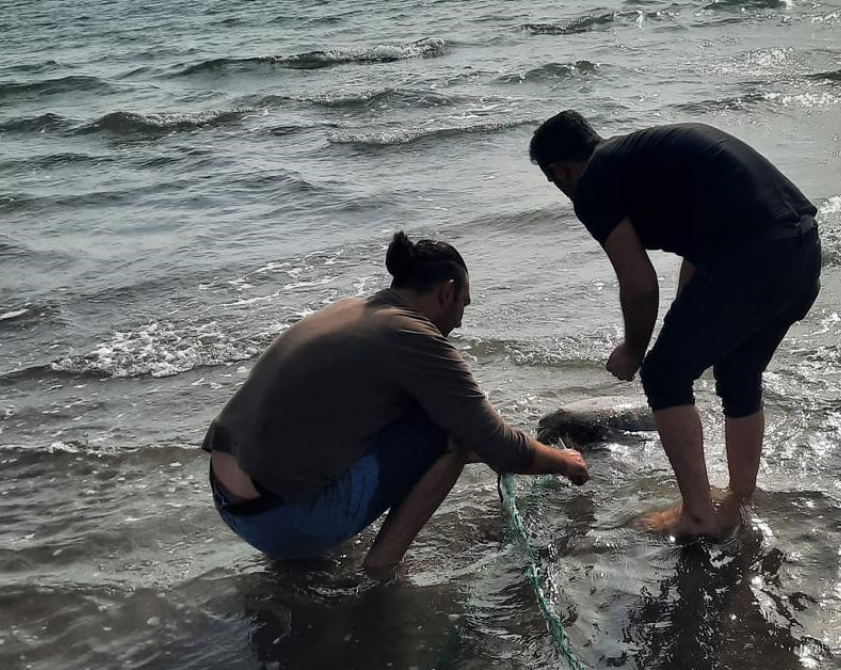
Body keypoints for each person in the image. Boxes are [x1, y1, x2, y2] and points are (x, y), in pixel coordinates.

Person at [203, 232, 588, 576]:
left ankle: (299, 562)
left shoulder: (352, 310)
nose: (460, 321)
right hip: (284, 524)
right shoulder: (414, 335)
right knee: (450, 433)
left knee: (426, 419)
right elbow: (503, 449)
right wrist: (563, 463)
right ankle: (383, 568)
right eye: (464, 306)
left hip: (229, 502)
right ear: (447, 292)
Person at [529, 113, 820, 539]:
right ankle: (737, 500)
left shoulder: (593, 182)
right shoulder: (638, 158)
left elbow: (639, 284)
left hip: (755, 253)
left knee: (664, 374)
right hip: (802, 249)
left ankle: (699, 515)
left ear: (559, 171)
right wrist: (685, 322)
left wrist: (634, 350)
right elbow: (699, 246)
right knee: (738, 371)